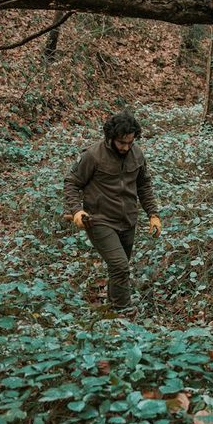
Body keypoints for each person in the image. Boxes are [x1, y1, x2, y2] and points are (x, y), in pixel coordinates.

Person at [64, 111, 162, 313]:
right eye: (121, 143)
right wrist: (76, 211)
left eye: (130, 142)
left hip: (128, 220)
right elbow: (72, 183)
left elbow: (144, 186)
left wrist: (153, 214)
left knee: (119, 267)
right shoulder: (93, 155)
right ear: (110, 138)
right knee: (120, 266)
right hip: (99, 219)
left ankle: (111, 308)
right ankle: (122, 311)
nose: (126, 147)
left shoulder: (137, 154)